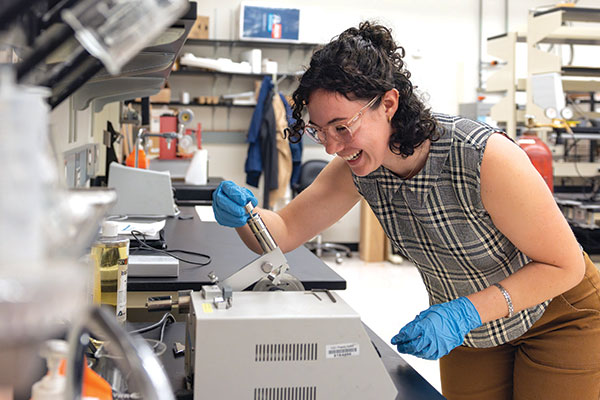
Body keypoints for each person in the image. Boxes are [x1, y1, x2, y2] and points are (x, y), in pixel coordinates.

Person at [212, 21, 600, 399]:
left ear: (389, 104)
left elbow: (565, 266)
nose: (331, 146)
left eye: (342, 127)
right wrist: (247, 215)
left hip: (557, 314)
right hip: (475, 328)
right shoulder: (358, 169)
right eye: (319, 131)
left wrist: (462, 313)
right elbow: (283, 231)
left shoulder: (482, 156)